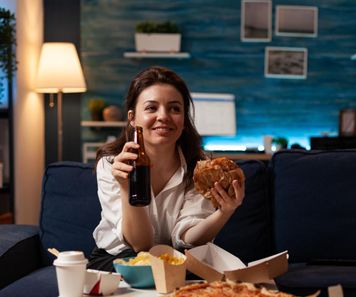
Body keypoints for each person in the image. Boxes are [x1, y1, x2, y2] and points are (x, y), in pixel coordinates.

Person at [88, 66, 244, 271]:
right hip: (119, 260)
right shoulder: (111, 165)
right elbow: (140, 245)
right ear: (133, 118)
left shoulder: (200, 168)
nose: (163, 116)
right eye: (151, 108)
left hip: (176, 258)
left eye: (174, 108)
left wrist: (224, 212)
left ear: (184, 121)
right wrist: (127, 187)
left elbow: (188, 238)